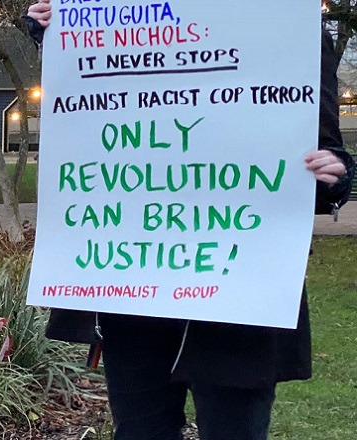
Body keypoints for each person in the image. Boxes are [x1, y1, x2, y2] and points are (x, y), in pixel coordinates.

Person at [25, 2, 355, 439]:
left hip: (240, 294)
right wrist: (58, 29)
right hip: (135, 290)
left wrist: (335, 173)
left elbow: (326, 151)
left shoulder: (291, 32)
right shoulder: (127, 22)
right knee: (141, 431)